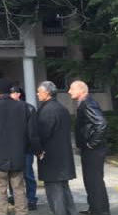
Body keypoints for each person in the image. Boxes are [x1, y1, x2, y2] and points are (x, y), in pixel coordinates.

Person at [0, 78, 41, 215]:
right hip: (17, 154)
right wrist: (37, 150)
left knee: (0, 190)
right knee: (19, 189)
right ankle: (22, 213)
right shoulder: (24, 107)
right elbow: (32, 133)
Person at [69, 80, 110, 215]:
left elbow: (101, 123)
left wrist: (92, 143)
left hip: (93, 149)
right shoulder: (85, 103)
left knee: (94, 180)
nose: (69, 91)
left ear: (81, 90)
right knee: (91, 180)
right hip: (91, 149)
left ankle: (100, 211)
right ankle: (95, 208)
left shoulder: (88, 103)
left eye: (72, 89)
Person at [36, 81, 77, 215]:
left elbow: (43, 133)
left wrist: (37, 149)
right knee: (64, 189)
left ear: (47, 93)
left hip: (51, 157)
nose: (37, 94)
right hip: (62, 156)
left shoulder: (47, 110)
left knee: (55, 193)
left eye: (39, 91)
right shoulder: (61, 108)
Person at [8, 86, 38, 211]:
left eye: (14, 92)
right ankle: (15, 196)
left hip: (26, 148)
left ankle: (31, 199)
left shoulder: (29, 108)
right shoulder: (7, 108)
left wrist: (35, 147)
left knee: (28, 174)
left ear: (19, 94)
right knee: (12, 174)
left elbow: (33, 131)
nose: (11, 95)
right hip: (12, 148)